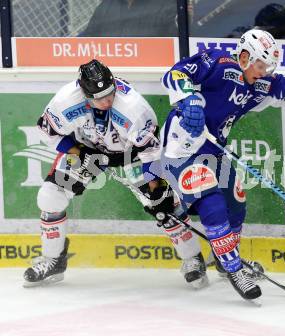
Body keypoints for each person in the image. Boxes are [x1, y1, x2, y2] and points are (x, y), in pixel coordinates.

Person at [160, 29, 285, 300]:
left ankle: (224, 259)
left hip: (213, 149)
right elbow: (175, 73)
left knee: (235, 202)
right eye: (261, 65)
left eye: (268, 67)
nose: (264, 72)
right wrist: (189, 100)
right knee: (212, 204)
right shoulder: (218, 64)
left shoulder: (260, 82)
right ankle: (234, 269)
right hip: (181, 147)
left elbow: (283, 88)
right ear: (244, 57)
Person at [23, 59, 207, 289]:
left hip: (133, 153)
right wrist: (78, 151)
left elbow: (150, 152)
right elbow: (47, 131)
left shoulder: (133, 108)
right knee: (50, 196)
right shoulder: (65, 101)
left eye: (110, 93)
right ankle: (53, 260)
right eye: (99, 98)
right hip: (89, 150)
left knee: (163, 203)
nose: (107, 100)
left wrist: (156, 188)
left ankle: (193, 259)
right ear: (84, 93)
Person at [80, 0, 177, 37]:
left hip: (149, 71)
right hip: (111, 68)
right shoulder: (107, 5)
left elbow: (175, 39)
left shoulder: (165, 4)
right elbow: (88, 36)